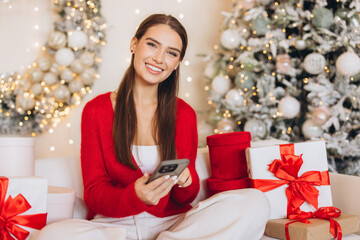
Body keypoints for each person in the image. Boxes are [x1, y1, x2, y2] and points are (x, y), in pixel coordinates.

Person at [36, 14, 270, 240]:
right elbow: (95, 194)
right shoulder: (97, 111)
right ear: (134, 44)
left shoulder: (184, 114)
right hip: (115, 225)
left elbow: (184, 197)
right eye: (152, 45)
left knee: (255, 201)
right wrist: (134, 196)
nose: (159, 58)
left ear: (177, 63)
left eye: (171, 53)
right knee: (52, 235)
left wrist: (186, 182)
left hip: (172, 224)